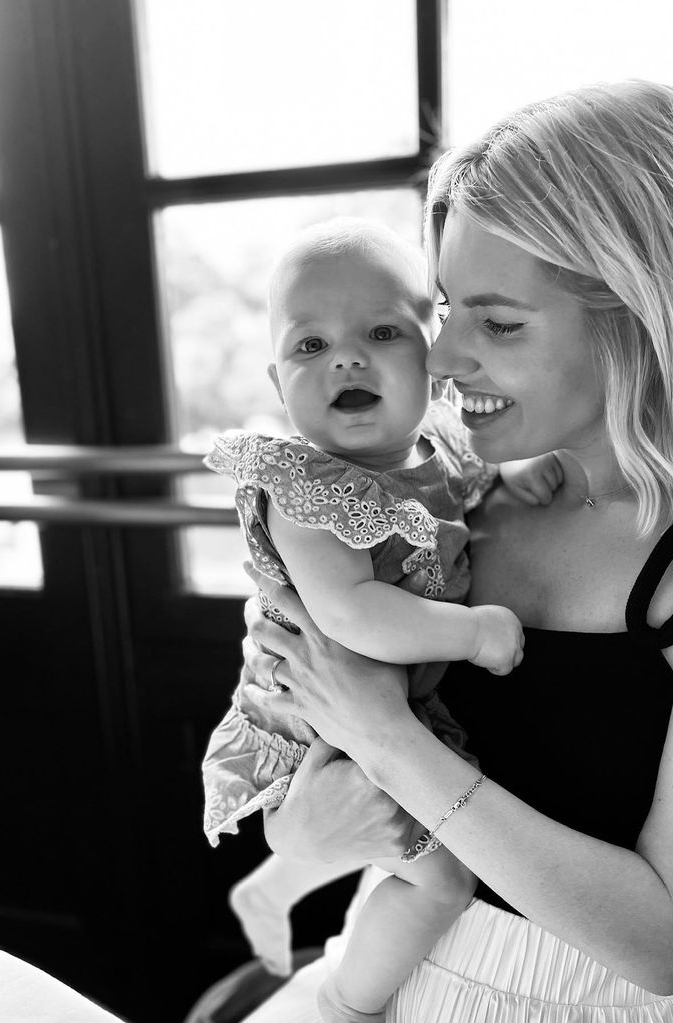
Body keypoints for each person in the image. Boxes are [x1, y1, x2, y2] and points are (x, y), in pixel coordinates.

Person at [235, 80, 673, 1023]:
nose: (441, 357)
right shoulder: (457, 500)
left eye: (497, 322)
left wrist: (384, 736)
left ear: (648, 321)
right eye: (445, 306)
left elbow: (664, 943)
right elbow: (301, 807)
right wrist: (304, 824)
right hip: (380, 966)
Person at [201, 219, 562, 1021]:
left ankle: (274, 889)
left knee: (402, 845)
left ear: (432, 357)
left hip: (385, 704)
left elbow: (462, 494)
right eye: (309, 345)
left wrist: (516, 467)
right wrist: (472, 632)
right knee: (439, 879)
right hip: (314, 719)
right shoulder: (308, 489)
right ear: (276, 379)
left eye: (382, 331)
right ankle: (344, 1004)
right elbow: (352, 613)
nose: (345, 357)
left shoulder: (436, 449)